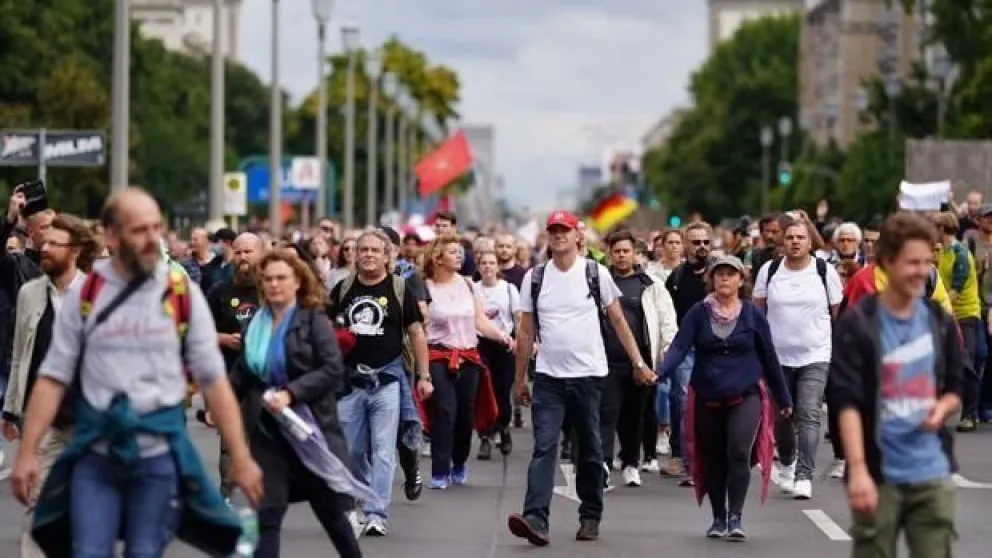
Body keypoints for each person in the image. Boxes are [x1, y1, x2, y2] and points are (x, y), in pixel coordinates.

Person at [10, 187, 262, 557]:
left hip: (156, 457)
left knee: (143, 551)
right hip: (96, 455)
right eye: (139, 230)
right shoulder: (89, 293)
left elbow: (214, 380)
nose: (151, 239)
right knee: (89, 550)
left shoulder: (180, 292)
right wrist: (27, 451)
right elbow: (53, 377)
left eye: (155, 228)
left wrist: (240, 456)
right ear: (111, 235)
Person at [506, 210, 654, 547]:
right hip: (549, 378)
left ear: (577, 236)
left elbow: (618, 321)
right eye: (553, 231)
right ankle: (535, 520)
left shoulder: (595, 273)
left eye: (565, 230)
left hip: (589, 376)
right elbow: (526, 330)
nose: (559, 236)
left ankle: (590, 515)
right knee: (544, 447)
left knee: (590, 449)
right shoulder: (536, 277)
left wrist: (638, 362)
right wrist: (519, 380)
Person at [829, 212, 962, 558]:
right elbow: (847, 402)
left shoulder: (939, 322)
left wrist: (942, 407)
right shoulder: (859, 325)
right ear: (886, 262)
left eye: (926, 262)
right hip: (878, 472)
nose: (921, 271)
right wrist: (857, 470)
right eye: (911, 262)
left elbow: (955, 388)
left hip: (931, 471)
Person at [232, 251, 374, 558]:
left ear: (297, 281)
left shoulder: (313, 319)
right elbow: (242, 373)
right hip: (268, 433)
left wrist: (292, 393)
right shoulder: (256, 324)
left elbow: (332, 368)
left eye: (281, 278)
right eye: (268, 279)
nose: (274, 285)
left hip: (310, 431)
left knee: (331, 514)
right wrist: (220, 407)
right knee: (267, 513)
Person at [659, 255, 792, 541]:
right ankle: (718, 516)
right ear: (712, 279)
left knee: (738, 451)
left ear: (741, 280)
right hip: (707, 395)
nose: (724, 279)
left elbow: (769, 357)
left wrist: (784, 398)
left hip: (745, 395)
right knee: (713, 457)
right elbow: (680, 346)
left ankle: (736, 517)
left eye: (731, 274)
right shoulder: (698, 313)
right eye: (719, 274)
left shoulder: (752, 316)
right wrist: (658, 374)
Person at [2, 214, 98, 558]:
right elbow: (19, 354)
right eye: (43, 243)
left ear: (74, 251)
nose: (44, 250)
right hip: (42, 418)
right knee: (38, 504)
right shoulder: (30, 293)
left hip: (89, 419)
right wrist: (11, 408)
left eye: (54, 244)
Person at [329, 229, 432, 536]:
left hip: (388, 379)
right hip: (350, 383)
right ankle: (363, 495)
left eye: (376, 250)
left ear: (388, 256)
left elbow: (416, 333)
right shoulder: (342, 289)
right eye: (364, 250)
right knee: (352, 449)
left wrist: (424, 376)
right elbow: (326, 331)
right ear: (355, 255)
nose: (369, 255)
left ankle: (377, 513)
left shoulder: (400, 288)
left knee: (384, 450)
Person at [753, 217, 843, 500]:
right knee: (782, 416)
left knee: (809, 412)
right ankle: (789, 461)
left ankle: (805, 475)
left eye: (800, 238)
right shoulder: (770, 271)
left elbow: (835, 310)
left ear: (809, 242)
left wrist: (818, 334)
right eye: (789, 237)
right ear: (782, 241)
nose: (795, 242)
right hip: (777, 356)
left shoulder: (823, 271)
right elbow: (758, 310)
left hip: (815, 353)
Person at [420, 233, 511, 489]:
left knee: (464, 416)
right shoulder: (425, 287)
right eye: (452, 252)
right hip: (438, 355)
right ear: (437, 258)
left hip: (469, 356)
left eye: (459, 252)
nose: (459, 256)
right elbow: (417, 326)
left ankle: (459, 462)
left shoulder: (469, 285)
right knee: (445, 412)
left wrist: (503, 337)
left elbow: (480, 321)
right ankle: (439, 471)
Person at [205, 232, 265, 491]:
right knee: (230, 440)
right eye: (238, 252)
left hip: (267, 379)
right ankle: (226, 496)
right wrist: (223, 339)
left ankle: (265, 497)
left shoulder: (271, 287)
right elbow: (200, 331)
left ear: (261, 254)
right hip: (230, 377)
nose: (242, 258)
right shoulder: (220, 291)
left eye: (248, 252)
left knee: (265, 443)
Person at [474, 250, 521, 460]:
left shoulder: (509, 290)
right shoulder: (472, 289)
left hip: (504, 345)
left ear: (497, 267)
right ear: (478, 267)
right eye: (483, 263)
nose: (487, 267)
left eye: (491, 263)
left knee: (502, 392)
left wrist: (520, 342)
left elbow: (518, 317)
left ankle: (503, 428)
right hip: (479, 344)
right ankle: (484, 437)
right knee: (483, 391)